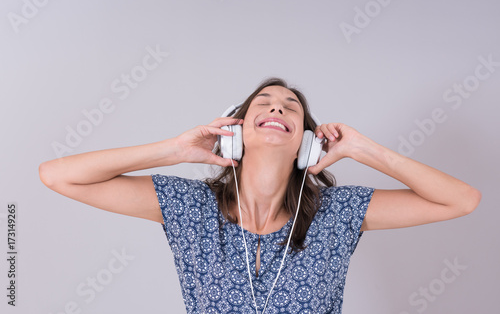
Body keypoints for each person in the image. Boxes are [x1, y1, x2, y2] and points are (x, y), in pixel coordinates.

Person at [39, 77, 481, 313]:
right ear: (235, 134)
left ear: (307, 143)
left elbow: (461, 200)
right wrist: (171, 150)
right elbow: (58, 175)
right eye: (264, 103)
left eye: (291, 107)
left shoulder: (337, 212)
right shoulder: (191, 210)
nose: (277, 108)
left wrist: (364, 149)